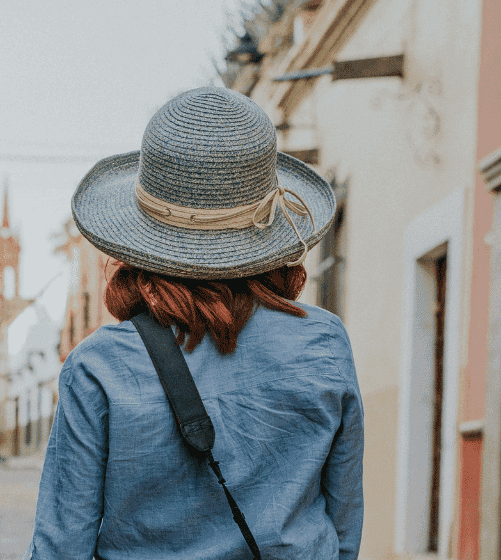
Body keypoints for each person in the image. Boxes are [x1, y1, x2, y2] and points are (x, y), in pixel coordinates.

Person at [25, 87, 363, 560]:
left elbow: (62, 546)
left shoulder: (99, 366)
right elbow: (343, 522)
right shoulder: (324, 342)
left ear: (137, 240)